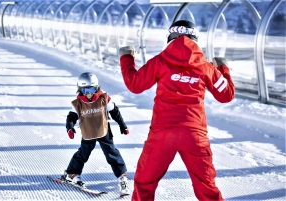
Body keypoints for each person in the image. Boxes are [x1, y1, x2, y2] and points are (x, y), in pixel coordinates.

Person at [118, 20, 235, 201]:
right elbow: (226, 95)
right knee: (206, 187)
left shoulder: (160, 61)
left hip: (162, 133)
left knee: (144, 183)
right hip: (194, 135)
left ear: (170, 37)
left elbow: (135, 84)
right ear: (195, 38)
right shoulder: (206, 67)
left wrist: (127, 58)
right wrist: (222, 68)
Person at [62, 72, 130, 196]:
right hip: (88, 132)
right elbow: (71, 118)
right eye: (85, 89)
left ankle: (122, 177)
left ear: (97, 87)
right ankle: (72, 173)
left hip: (104, 131)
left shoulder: (104, 98)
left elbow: (115, 111)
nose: (89, 93)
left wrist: (122, 125)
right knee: (83, 153)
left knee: (112, 153)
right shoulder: (78, 104)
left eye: (92, 89)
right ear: (80, 89)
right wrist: (70, 128)